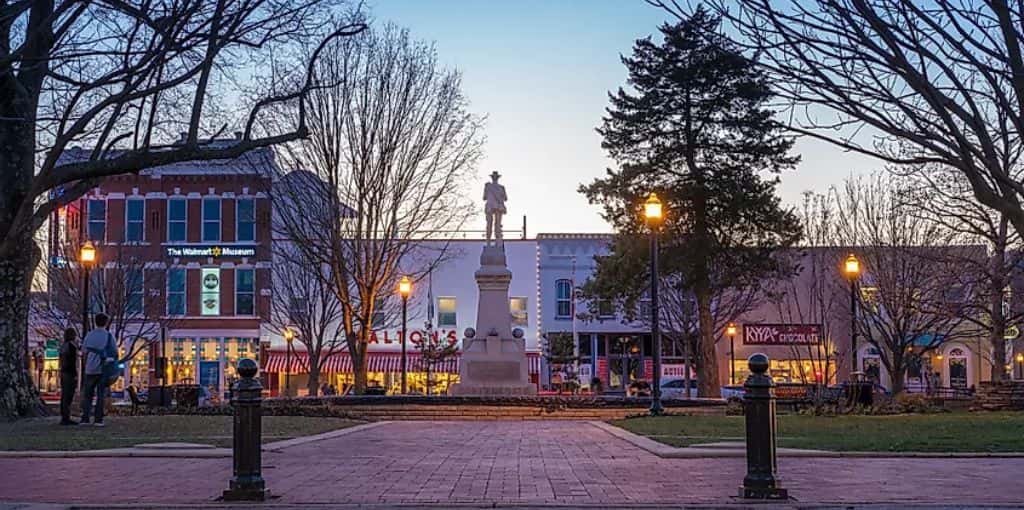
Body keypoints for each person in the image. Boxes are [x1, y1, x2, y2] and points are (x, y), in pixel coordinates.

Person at [81, 313, 116, 426]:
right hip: (103, 369)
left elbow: (84, 352)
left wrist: (86, 365)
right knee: (100, 395)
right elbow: (114, 353)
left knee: (88, 395)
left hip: (90, 369)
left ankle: (85, 418)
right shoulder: (109, 336)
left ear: (95, 321)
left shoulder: (89, 335)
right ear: (106, 322)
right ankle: (98, 419)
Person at [58, 327, 79, 425]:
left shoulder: (63, 346)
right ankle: (66, 417)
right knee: (68, 395)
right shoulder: (71, 347)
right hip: (69, 373)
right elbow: (72, 362)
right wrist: (75, 374)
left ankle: (64, 416)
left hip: (64, 372)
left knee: (64, 395)